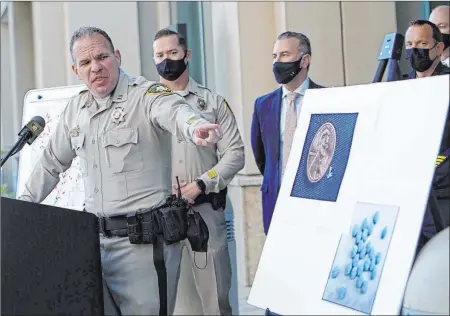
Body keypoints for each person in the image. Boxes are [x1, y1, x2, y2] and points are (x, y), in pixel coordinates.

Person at [17, 26, 223, 316]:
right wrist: (20, 211)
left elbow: (174, 111)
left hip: (143, 248)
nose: (96, 68)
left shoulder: (146, 95)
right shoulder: (76, 109)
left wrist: (195, 127)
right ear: (76, 70)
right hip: (93, 246)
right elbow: (51, 163)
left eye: (102, 57)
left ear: (117, 56)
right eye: (86, 63)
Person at [152, 28, 245, 315]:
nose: (166, 60)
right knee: (172, 302)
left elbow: (236, 154)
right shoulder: (146, 103)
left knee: (215, 298)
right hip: (161, 217)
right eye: (159, 55)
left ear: (187, 55)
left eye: (172, 53)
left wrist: (203, 184)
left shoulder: (212, 102)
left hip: (205, 212)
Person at [250, 31, 324, 234]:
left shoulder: (327, 99)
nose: (277, 62)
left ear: (304, 60)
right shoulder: (263, 105)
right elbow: (262, 156)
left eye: (284, 55)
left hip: (316, 204)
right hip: (277, 201)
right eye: (275, 56)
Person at [405, 20, 450, 252]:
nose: (415, 50)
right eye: (410, 44)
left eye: (422, 43)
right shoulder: (398, 88)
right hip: (407, 196)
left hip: (442, 194)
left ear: (439, 49)